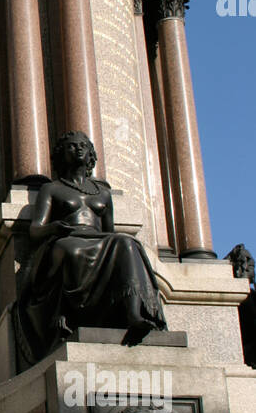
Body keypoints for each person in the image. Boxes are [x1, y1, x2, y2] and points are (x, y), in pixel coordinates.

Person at [13, 132, 166, 365]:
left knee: (126, 243)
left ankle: (134, 312)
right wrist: (54, 227)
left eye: (83, 146)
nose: (78, 150)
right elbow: (35, 230)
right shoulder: (52, 189)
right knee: (72, 251)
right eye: (71, 147)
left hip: (97, 239)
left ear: (91, 155)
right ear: (61, 155)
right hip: (65, 238)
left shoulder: (102, 193)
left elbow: (109, 230)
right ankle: (75, 317)